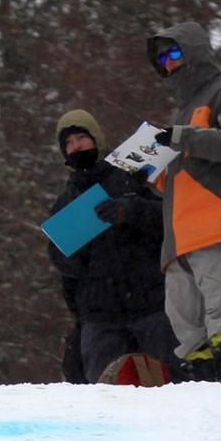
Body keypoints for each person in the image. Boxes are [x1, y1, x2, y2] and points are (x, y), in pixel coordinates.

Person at [145, 21, 221, 384]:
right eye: (162, 58)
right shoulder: (179, 114)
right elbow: (181, 175)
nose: (168, 62)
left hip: (216, 223)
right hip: (178, 238)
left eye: (174, 52)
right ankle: (205, 384)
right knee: (185, 323)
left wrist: (183, 138)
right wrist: (150, 172)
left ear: (194, 50)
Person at [46, 109, 177, 384]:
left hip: (151, 306)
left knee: (172, 388)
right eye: (68, 143)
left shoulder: (131, 175)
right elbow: (63, 265)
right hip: (100, 317)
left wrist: (130, 211)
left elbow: (169, 219)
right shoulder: (64, 203)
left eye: (81, 137)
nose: (76, 146)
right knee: (106, 396)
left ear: (97, 138)